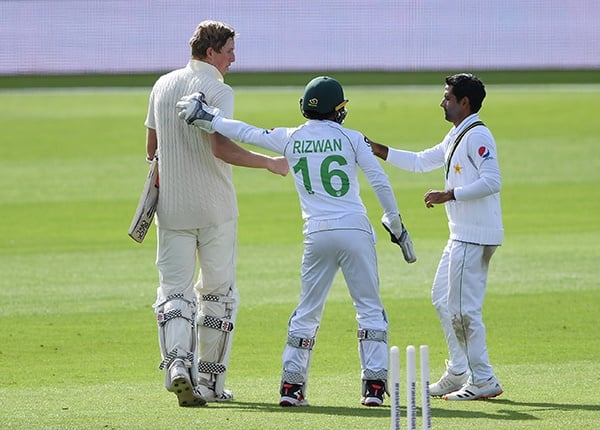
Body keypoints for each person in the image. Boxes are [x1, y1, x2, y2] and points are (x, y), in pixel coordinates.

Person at [175, 76, 416, 407]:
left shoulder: (291, 138)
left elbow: (247, 132)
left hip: (316, 234)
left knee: (307, 312)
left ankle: (291, 387)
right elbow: (380, 182)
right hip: (355, 230)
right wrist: (395, 223)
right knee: (369, 309)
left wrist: (209, 117)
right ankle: (373, 388)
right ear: (338, 111)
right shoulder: (353, 138)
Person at [143, 20, 289, 407]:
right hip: (215, 207)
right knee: (218, 294)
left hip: (172, 207)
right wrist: (268, 163)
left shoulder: (162, 85)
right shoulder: (218, 89)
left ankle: (177, 364)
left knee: (174, 289)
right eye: (228, 51)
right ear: (210, 52)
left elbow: (151, 148)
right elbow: (221, 148)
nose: (233, 58)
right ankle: (209, 383)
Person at [366, 73, 504, 400]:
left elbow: (492, 180)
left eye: (447, 97)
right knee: (442, 299)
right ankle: (459, 371)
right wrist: (375, 149)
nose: (442, 102)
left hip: (475, 235)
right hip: (461, 235)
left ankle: (483, 378)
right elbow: (417, 162)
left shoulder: (477, 135)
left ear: (464, 102)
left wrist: (450, 194)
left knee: (462, 310)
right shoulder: (456, 134)